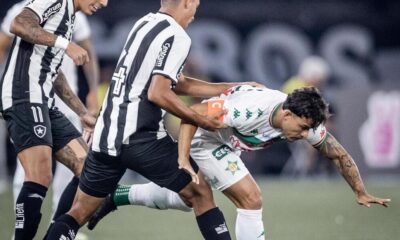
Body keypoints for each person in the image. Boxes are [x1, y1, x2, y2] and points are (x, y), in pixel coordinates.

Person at [44, 0, 265, 239]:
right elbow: (158, 92)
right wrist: (200, 119)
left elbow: (177, 83)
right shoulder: (177, 36)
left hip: (106, 137)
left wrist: (231, 87)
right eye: (195, 6)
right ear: (187, 2)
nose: (194, 14)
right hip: (140, 136)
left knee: (77, 213)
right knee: (200, 193)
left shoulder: (144, 23)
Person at [88, 86, 391, 240]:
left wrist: (359, 191)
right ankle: (116, 195)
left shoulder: (303, 121)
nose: (302, 136)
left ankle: (116, 195)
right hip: (200, 135)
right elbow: (191, 113)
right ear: (286, 114)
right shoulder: (248, 111)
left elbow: (339, 154)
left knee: (188, 200)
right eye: (300, 128)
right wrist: (182, 158)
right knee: (251, 198)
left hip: (223, 142)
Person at [0, 0, 107, 239]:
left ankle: (56, 235)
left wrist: (81, 112)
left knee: (87, 169)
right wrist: (66, 44)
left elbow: (52, 72)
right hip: (24, 95)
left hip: (43, 99)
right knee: (40, 174)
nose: (104, 2)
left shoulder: (70, 17)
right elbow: (18, 23)